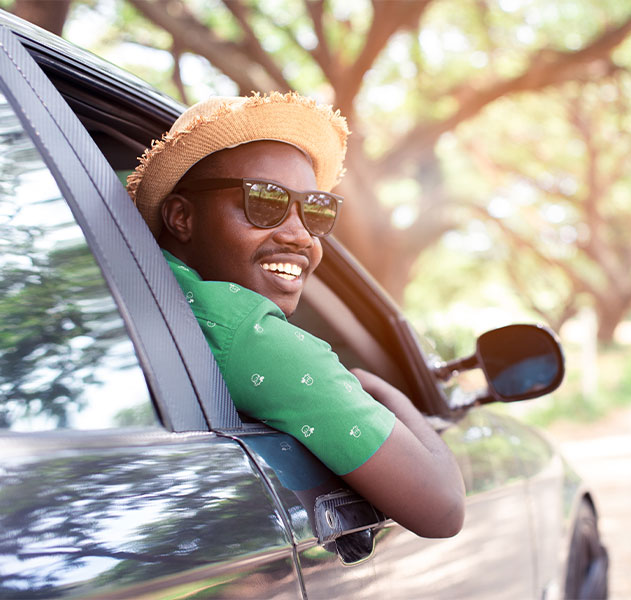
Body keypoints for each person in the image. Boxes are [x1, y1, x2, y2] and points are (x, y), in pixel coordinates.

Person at [127, 92, 465, 538]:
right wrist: (385, 392)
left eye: (316, 209)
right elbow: (442, 510)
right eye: (264, 202)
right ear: (181, 218)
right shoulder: (251, 335)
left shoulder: (140, 288)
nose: (300, 235)